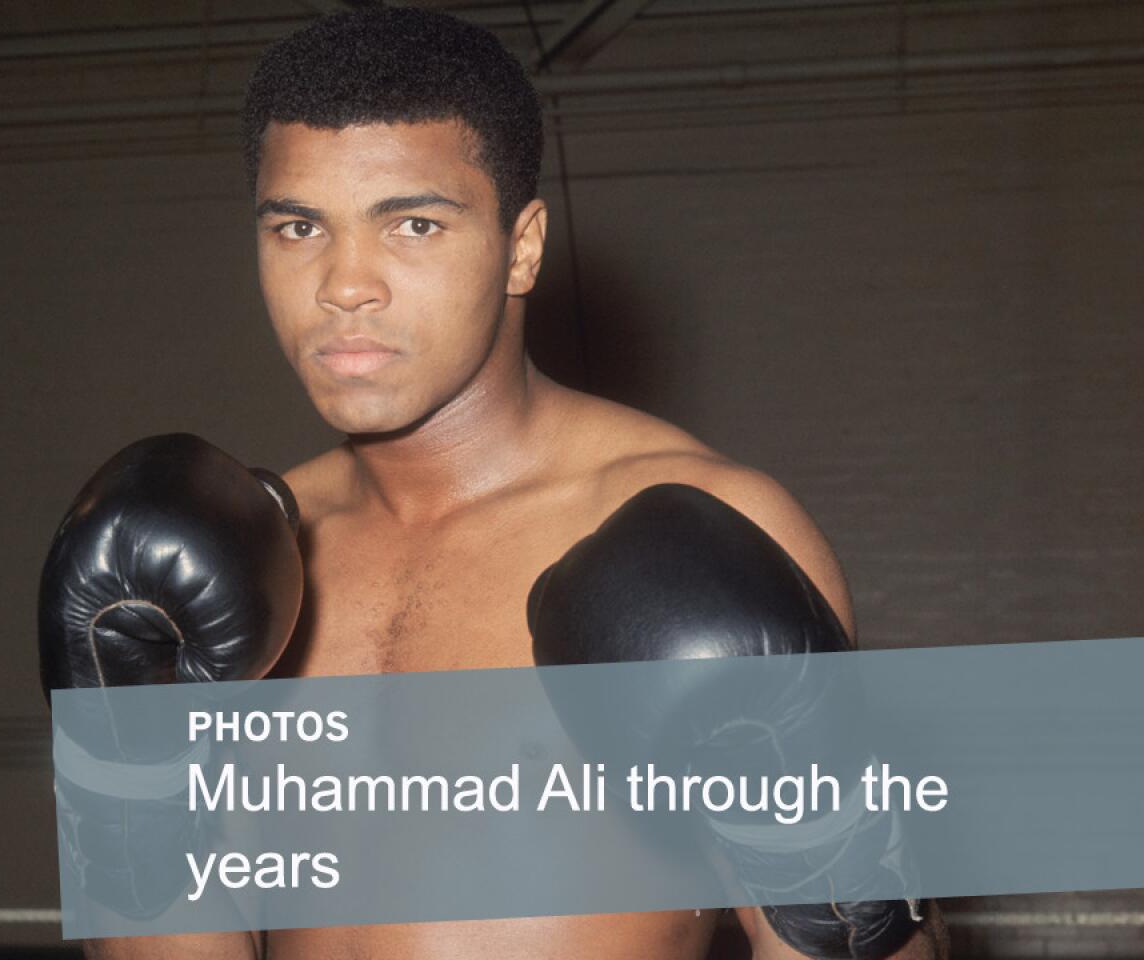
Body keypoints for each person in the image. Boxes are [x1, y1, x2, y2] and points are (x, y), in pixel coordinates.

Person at [74, 7, 950, 959]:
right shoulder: (241, 558)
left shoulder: (714, 525)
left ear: (522, 245)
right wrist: (128, 781)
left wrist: (816, 842)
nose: (345, 284)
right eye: (298, 227)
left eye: (411, 222)